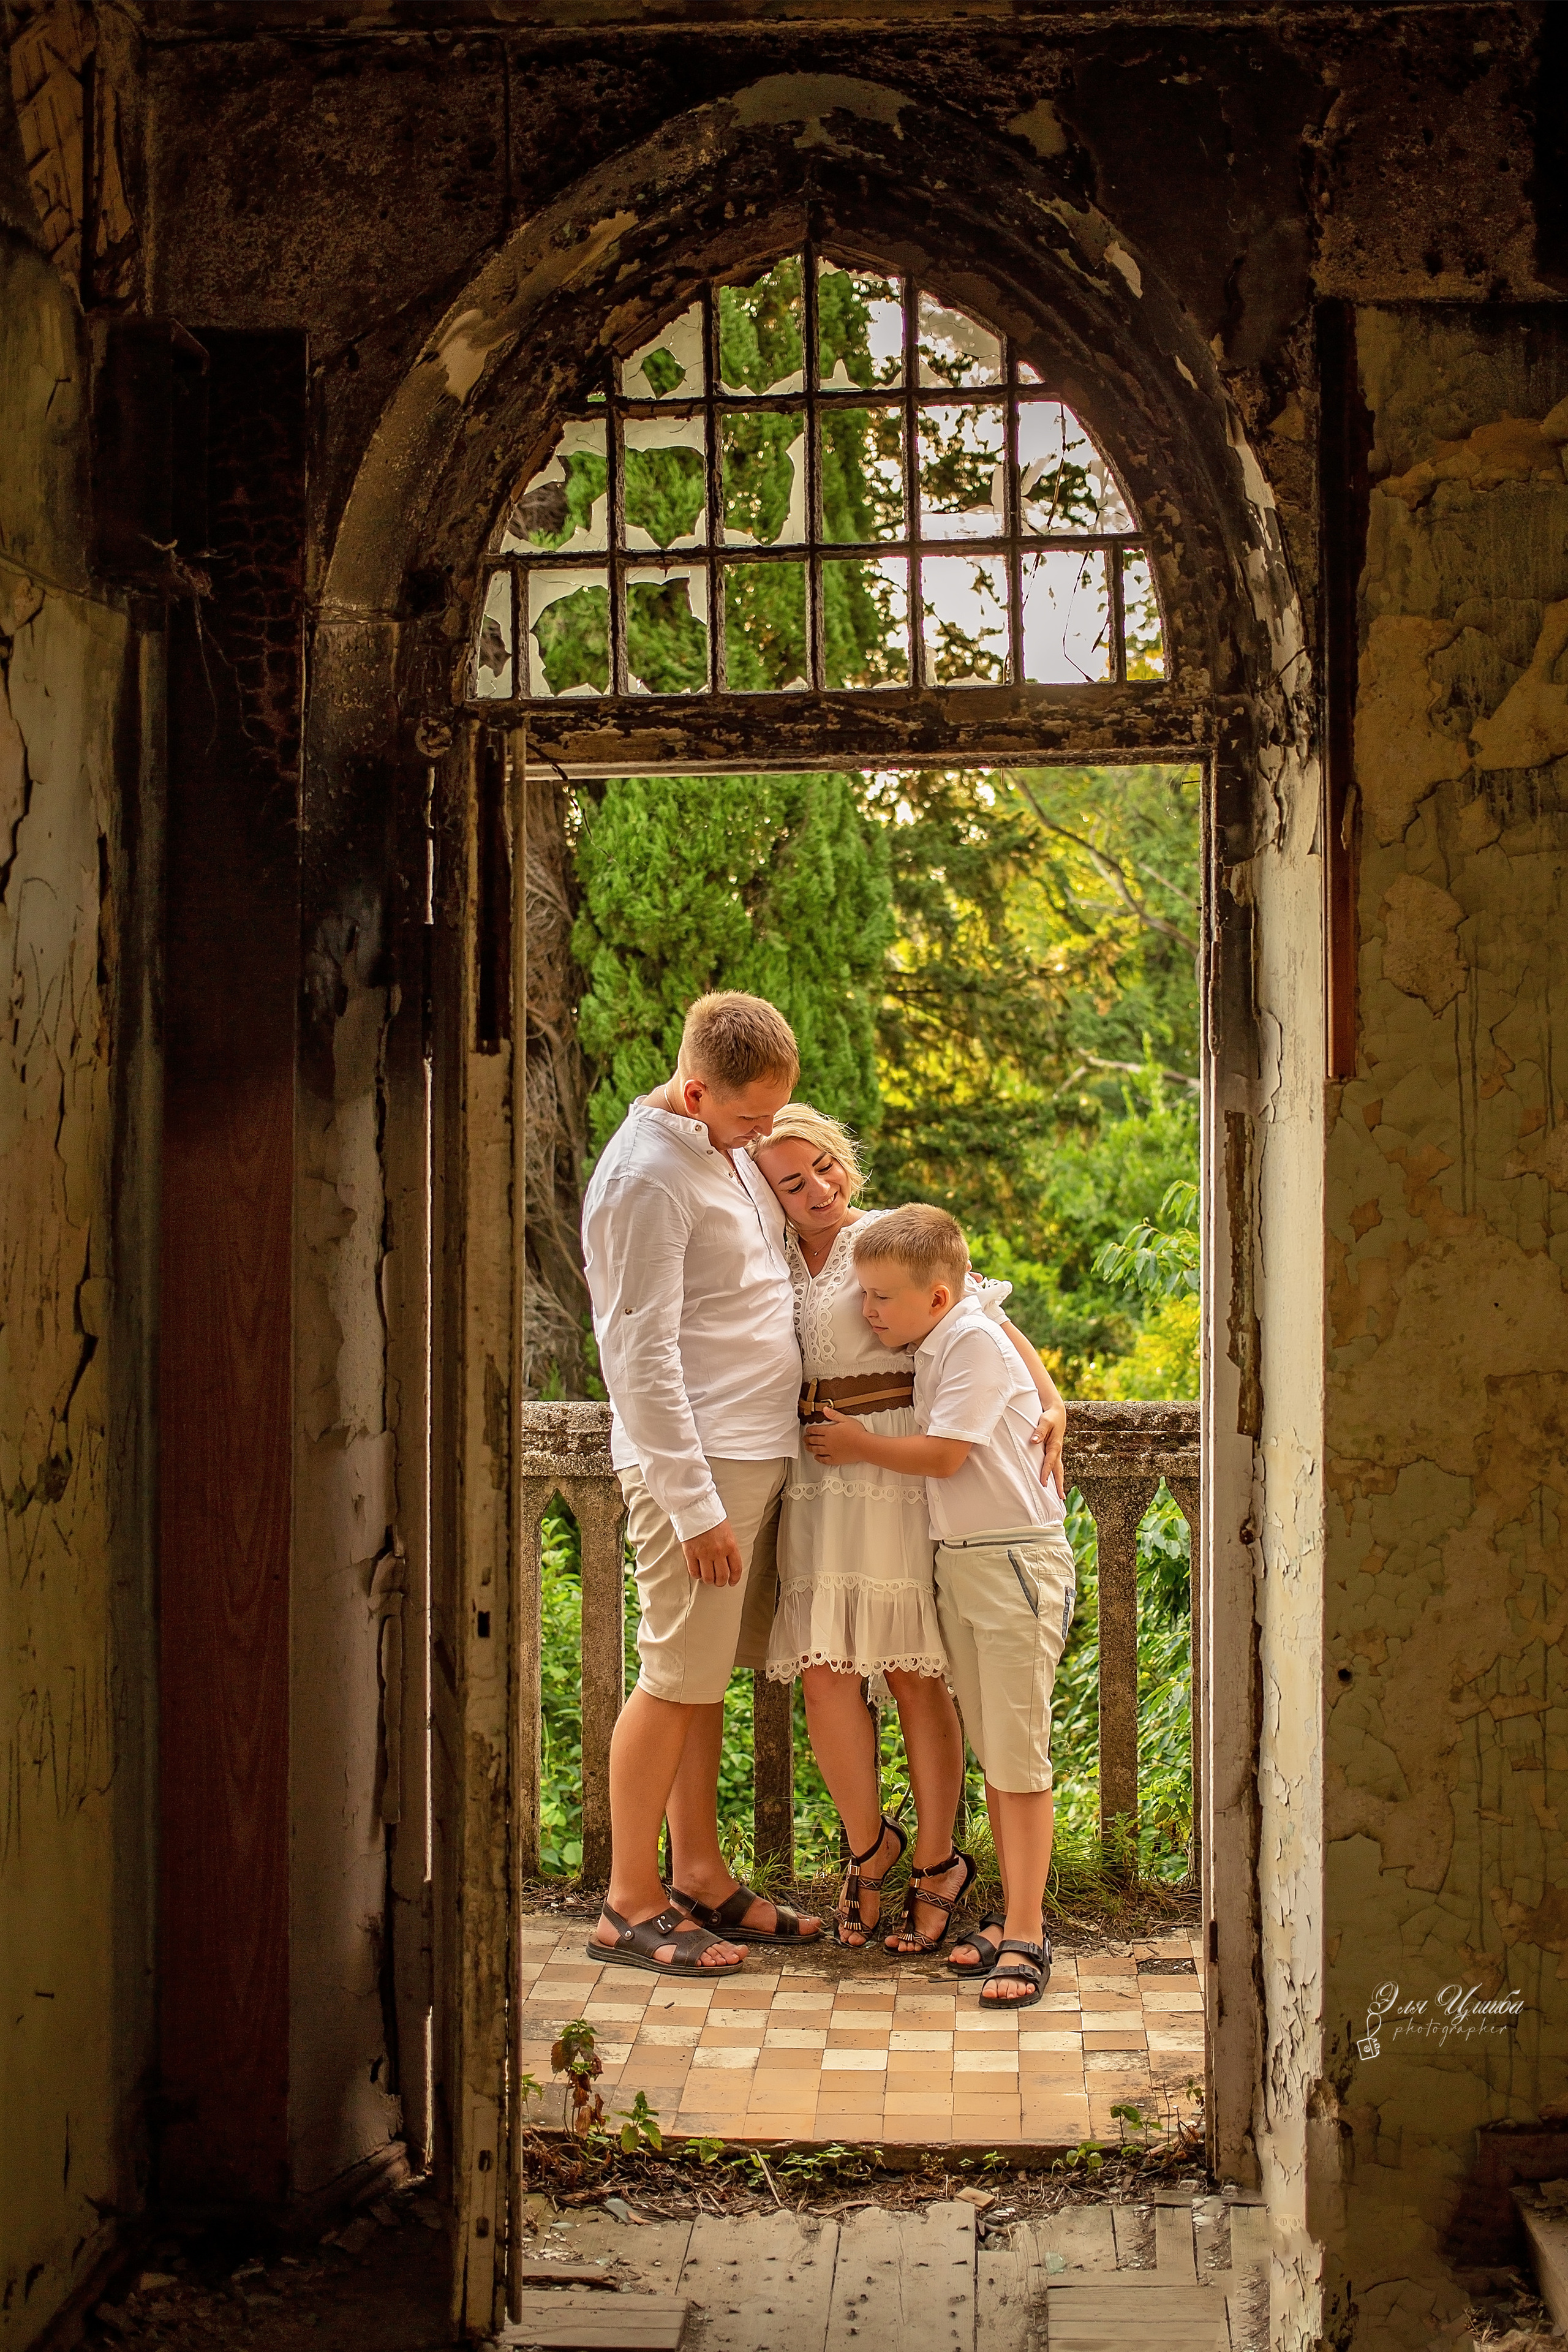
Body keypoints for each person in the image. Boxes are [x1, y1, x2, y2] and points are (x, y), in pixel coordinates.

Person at [752, 1106, 1066, 1955]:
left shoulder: (890, 1240)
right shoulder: (764, 1257)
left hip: (900, 1462)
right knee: (823, 1673)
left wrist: (1050, 1397)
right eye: (792, 1180)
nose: (817, 1188)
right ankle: (868, 1848)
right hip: (820, 1474)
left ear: (841, 1160)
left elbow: (984, 1316)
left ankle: (937, 1861)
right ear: (766, 1191)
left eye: (824, 1166)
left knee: (912, 1669)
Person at [581, 992, 823, 1975]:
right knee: (671, 1679)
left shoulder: (718, 1151)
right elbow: (638, 1357)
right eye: (751, 1117)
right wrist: (693, 1506)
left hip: (751, 1454)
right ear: (693, 1090)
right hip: (701, 1469)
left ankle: (702, 1876)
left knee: (702, 1682)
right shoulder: (647, 1179)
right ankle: (629, 1904)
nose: (765, 1136)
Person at [802, 1202, 1074, 2008]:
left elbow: (947, 1455)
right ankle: (1012, 1913)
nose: (867, 1309)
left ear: (938, 1297)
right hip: (966, 1563)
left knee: (1019, 1756)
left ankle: (1025, 1937)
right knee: (997, 1745)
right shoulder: (944, 1334)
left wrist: (859, 1445)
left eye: (881, 1297)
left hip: (1011, 1565)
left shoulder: (971, 1344)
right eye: (863, 1294)